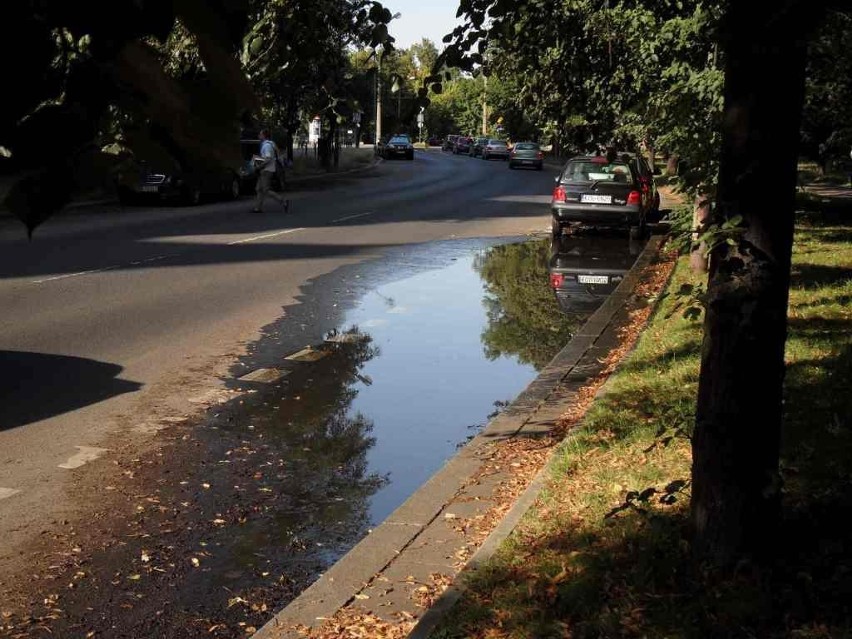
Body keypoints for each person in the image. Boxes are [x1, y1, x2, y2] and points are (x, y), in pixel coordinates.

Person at [252, 129, 289, 213]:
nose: (259, 136)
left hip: (267, 170)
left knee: (266, 190)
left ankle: (283, 201)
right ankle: (258, 207)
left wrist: (259, 165)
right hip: (265, 169)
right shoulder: (268, 144)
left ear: (264, 136)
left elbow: (268, 158)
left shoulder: (267, 146)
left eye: (260, 134)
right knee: (259, 189)